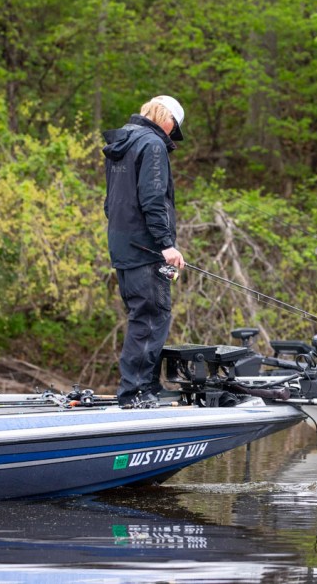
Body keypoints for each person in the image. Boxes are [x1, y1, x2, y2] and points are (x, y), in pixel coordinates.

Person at [102, 95, 186, 406]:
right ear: (168, 119)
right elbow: (153, 199)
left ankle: (147, 387)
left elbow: (110, 203)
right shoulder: (152, 145)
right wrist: (166, 244)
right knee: (151, 317)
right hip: (147, 248)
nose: (171, 134)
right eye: (174, 128)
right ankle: (135, 393)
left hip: (123, 247)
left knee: (143, 316)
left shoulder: (121, 143)